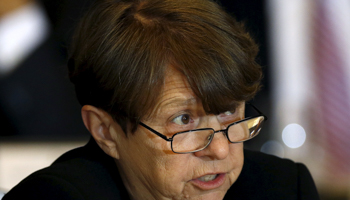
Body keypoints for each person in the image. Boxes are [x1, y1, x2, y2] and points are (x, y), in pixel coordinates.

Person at [3, 0, 320, 199]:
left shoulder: (283, 187)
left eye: (227, 112)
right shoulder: (54, 198)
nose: (221, 149)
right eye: (184, 120)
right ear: (105, 131)